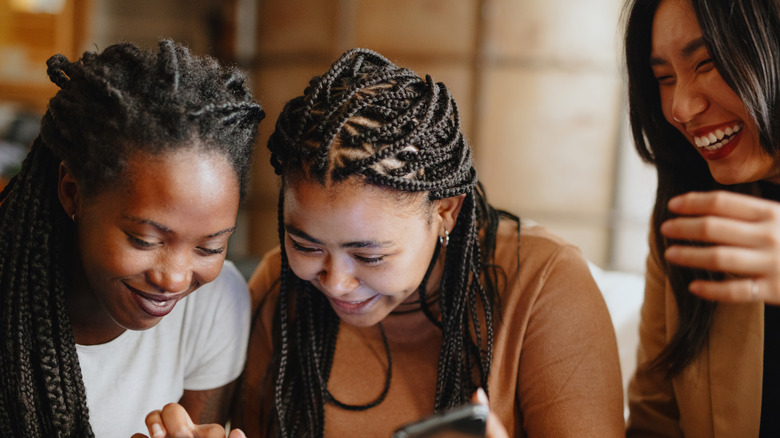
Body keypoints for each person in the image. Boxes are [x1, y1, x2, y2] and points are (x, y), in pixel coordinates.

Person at [231, 48, 624, 437]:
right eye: (307, 247)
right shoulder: (279, 291)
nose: (335, 282)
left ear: (446, 211)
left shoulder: (543, 286)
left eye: (369, 255)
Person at [0, 39, 265, 437]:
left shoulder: (214, 305)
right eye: (145, 239)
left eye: (209, 247)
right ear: (73, 192)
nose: (174, 278)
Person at [623, 0, 780, 436]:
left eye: (707, 63)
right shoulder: (686, 219)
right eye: (664, 79)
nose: (682, 108)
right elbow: (654, 423)